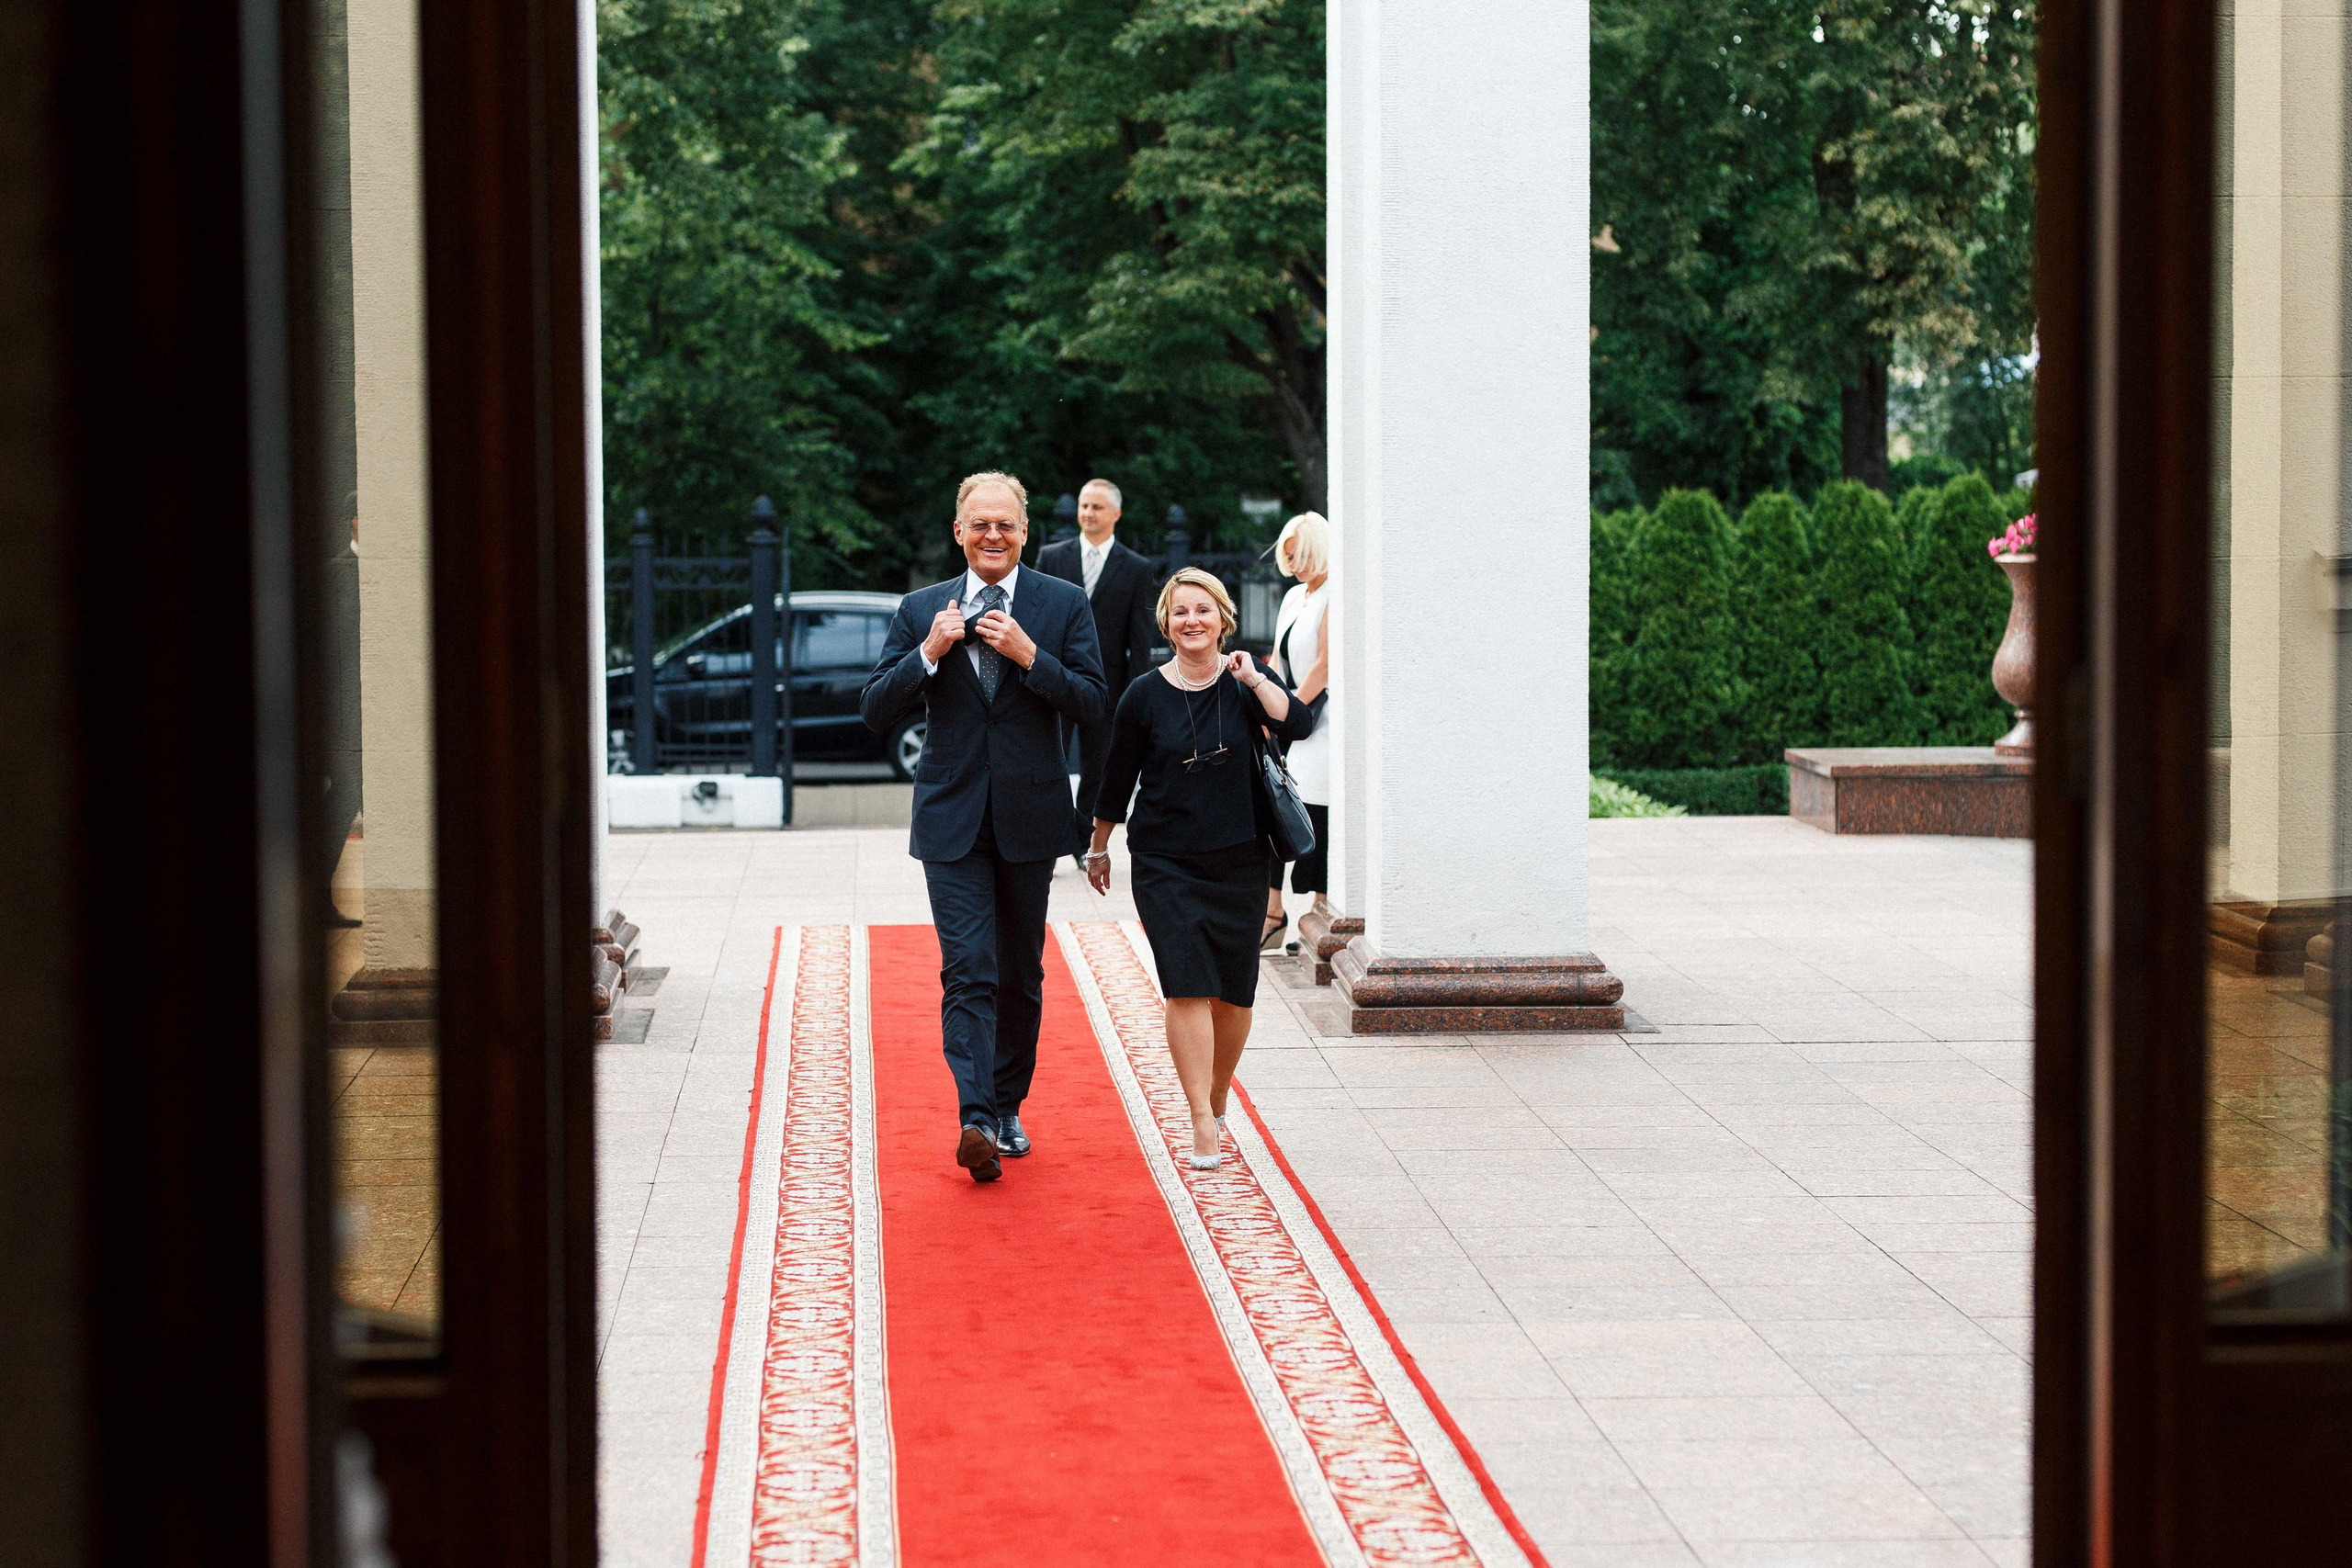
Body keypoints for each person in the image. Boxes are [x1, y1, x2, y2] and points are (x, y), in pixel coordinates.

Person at [863, 471, 1108, 1183]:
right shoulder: (920, 609)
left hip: (1031, 817)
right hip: (951, 818)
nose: (993, 535)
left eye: (1006, 524)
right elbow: (875, 708)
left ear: (1024, 532)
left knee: (1019, 974)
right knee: (967, 966)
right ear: (959, 531)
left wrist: (1034, 658)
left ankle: (1006, 1104)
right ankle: (974, 1117)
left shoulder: (1062, 604)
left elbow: (1093, 702)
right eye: (980, 524)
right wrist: (928, 653)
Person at [1085, 568, 1314, 1168]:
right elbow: (1117, 777)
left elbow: (1298, 723)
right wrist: (1101, 843)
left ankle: (1217, 1093)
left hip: (1241, 857)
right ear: (1166, 622)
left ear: (1223, 619)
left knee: (1235, 996)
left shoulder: (1244, 683)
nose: (1192, 620)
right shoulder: (1142, 695)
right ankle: (1198, 1119)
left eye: (1203, 610)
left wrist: (1255, 678)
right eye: (1180, 611)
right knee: (1187, 980)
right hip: (1165, 862)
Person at [1035, 479, 1159, 868]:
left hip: (1106, 688)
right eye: (1084, 506)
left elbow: (1140, 639)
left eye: (1097, 507)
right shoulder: (1052, 557)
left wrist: (1136, 695)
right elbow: (1035, 619)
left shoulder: (1137, 568)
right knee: (1048, 764)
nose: (1087, 513)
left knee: (1098, 771)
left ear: (1116, 514)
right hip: (1052, 681)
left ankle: (1081, 842)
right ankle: (1049, 841)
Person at [1264, 512, 1333, 951]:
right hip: (1291, 711)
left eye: (1303, 556)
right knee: (1274, 804)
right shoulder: (1294, 597)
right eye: (1290, 558)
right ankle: (1273, 911)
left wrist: (1288, 709)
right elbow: (1276, 658)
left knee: (1315, 808)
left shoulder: (1334, 596)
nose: (1297, 566)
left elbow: (1324, 666)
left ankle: (1319, 907)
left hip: (1324, 719)